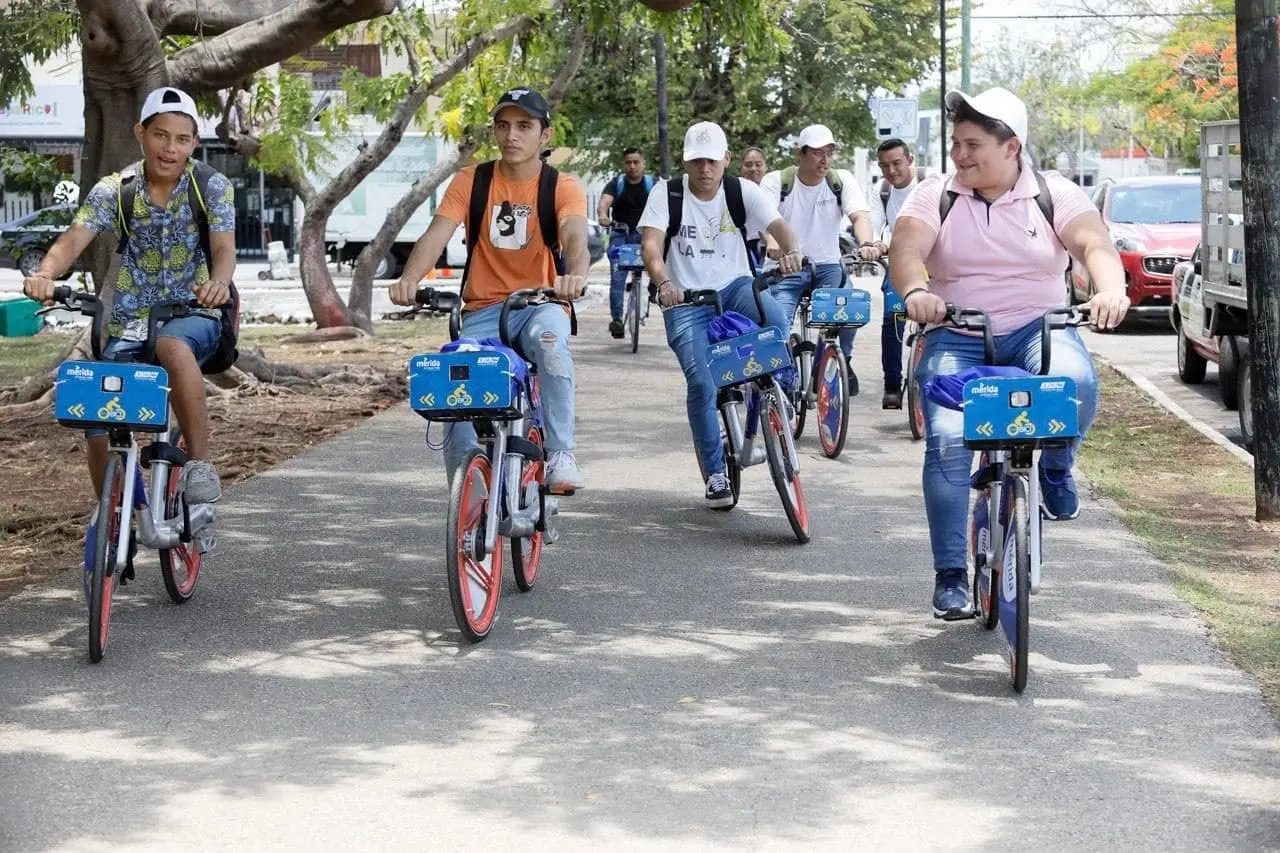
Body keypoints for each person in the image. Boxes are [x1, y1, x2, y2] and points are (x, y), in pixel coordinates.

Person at [889, 87, 1129, 619]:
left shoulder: (1054, 193)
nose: (960, 155)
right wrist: (916, 294)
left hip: (1036, 331)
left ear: (1012, 147)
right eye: (955, 144)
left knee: (1076, 385)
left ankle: (1057, 467)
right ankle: (951, 574)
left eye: (973, 144)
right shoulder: (936, 194)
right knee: (949, 443)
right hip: (957, 334)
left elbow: (1094, 245)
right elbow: (906, 249)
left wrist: (1111, 289)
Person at [24, 86, 236, 511]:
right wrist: (45, 272)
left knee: (171, 345)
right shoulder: (114, 189)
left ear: (194, 142)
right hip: (129, 318)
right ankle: (115, 512)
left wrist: (219, 283)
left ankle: (199, 465)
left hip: (193, 310)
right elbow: (74, 239)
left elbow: (223, 250)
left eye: (181, 139)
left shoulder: (212, 186)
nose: (170, 148)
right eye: (161, 135)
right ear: (141, 132)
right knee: (98, 409)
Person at [391, 87, 590, 493]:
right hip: (482, 312)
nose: (511, 135)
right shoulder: (472, 180)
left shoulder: (561, 186)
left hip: (541, 304)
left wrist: (575, 277)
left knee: (552, 344)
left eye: (523, 126)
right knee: (456, 395)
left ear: (544, 135)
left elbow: (574, 236)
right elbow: (436, 234)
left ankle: (561, 454)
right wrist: (411, 278)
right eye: (503, 126)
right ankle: (468, 498)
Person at [638, 121, 804, 508]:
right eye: (697, 161)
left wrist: (791, 250)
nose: (705, 169)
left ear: (726, 159)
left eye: (712, 160)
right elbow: (651, 244)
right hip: (687, 301)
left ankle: (782, 389)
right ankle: (715, 473)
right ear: (686, 162)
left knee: (776, 319)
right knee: (702, 383)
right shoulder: (667, 194)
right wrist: (664, 283)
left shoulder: (740, 191)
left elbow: (780, 227)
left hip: (734, 287)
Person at [760, 125, 881, 397]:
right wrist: (773, 245)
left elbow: (859, 216)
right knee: (777, 322)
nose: (825, 160)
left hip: (827, 266)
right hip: (786, 267)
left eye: (829, 152)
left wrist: (866, 244)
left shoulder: (840, 180)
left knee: (850, 309)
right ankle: (783, 385)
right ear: (800, 154)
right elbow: (764, 220)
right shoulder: (777, 182)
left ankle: (839, 360)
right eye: (817, 153)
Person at [868, 138, 924, 409]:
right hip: (900, 262)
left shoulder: (930, 184)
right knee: (893, 318)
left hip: (935, 262)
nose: (891, 170)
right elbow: (874, 224)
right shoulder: (882, 192)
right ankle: (892, 384)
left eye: (897, 163)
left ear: (910, 160)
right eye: (884, 166)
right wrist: (874, 244)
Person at [597, 147, 656, 338]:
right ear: (624, 164)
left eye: (636, 162)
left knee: (659, 259)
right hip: (621, 233)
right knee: (617, 276)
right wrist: (603, 215)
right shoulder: (617, 184)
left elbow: (663, 204)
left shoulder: (651, 184)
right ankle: (616, 320)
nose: (632, 166)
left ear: (643, 163)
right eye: (628, 162)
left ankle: (654, 289)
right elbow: (605, 202)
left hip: (645, 234)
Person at [740, 146, 769, 265]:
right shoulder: (734, 189)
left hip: (769, 248)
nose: (753, 169)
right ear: (741, 168)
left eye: (758, 164)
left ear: (765, 167)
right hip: (742, 247)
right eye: (748, 165)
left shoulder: (776, 190)